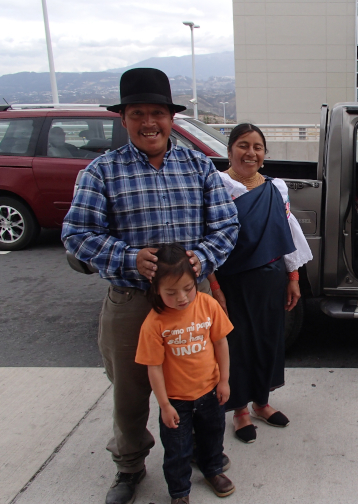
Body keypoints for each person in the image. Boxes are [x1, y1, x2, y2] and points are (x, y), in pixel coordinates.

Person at [61, 68, 239, 504]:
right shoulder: (101, 171)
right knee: (130, 392)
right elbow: (76, 233)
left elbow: (227, 225)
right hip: (130, 302)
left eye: (157, 112)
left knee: (197, 385)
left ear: (170, 118)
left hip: (189, 302)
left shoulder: (198, 165)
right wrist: (127, 257)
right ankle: (129, 467)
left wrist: (202, 257)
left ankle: (204, 454)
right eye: (137, 113)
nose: (148, 122)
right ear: (123, 119)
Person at [214, 123, 312, 444]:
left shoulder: (276, 188)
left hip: (272, 278)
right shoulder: (217, 187)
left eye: (257, 147)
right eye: (243, 145)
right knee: (237, 343)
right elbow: (205, 239)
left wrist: (293, 276)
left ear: (265, 155)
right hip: (232, 281)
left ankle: (262, 402)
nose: (250, 152)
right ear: (229, 151)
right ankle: (240, 409)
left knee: (270, 339)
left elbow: (287, 231)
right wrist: (214, 289)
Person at [135, 244, 235, 504]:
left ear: (196, 280)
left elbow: (221, 343)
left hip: (210, 391)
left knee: (212, 436)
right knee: (177, 450)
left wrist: (224, 380)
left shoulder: (208, 305)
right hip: (176, 400)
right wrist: (164, 405)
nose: (182, 297)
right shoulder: (154, 323)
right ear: (156, 289)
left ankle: (212, 470)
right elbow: (153, 367)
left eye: (188, 288)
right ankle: (179, 492)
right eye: (171, 292)